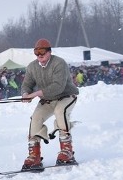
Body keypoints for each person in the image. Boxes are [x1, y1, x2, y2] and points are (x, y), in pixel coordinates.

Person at [20, 38, 80, 170]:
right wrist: (25, 94)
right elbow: (26, 85)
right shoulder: (32, 67)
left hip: (66, 96)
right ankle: (34, 156)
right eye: (37, 52)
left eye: (42, 52)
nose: (40, 55)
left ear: (49, 52)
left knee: (60, 112)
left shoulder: (59, 63)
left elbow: (58, 87)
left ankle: (67, 151)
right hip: (47, 100)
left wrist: (35, 94)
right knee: (35, 118)